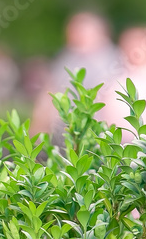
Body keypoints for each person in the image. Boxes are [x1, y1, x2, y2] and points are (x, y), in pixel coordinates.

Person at [32, 12, 126, 144]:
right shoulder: (66, 57)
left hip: (97, 136)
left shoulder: (114, 60)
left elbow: (114, 103)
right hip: (63, 135)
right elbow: (49, 93)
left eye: (81, 31)